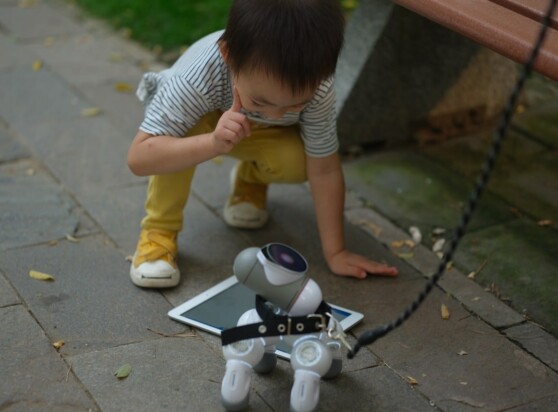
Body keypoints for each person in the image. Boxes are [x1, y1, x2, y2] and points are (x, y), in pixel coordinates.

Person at [126, 0, 398, 288]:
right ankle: (158, 235)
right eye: (260, 102)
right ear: (228, 54)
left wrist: (336, 252)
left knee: (301, 162)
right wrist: (213, 143)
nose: (276, 115)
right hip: (201, 129)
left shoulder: (318, 85)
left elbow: (325, 169)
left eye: (296, 104)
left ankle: (249, 180)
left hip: (250, 136)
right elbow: (140, 158)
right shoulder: (195, 78)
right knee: (179, 136)